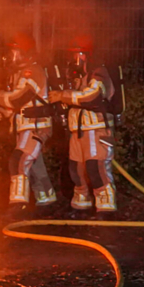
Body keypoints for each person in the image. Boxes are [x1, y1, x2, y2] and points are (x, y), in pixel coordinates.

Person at [48, 36, 118, 217]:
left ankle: (106, 207)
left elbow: (91, 97)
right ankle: (80, 205)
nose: (73, 59)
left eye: (76, 54)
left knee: (95, 168)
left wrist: (62, 95)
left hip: (96, 129)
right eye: (71, 55)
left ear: (86, 55)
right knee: (76, 169)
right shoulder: (78, 77)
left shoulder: (99, 73)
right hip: (77, 131)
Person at [0, 33, 57, 217]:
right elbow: (18, 106)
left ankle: (18, 205)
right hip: (25, 126)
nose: (11, 56)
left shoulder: (33, 72)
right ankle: (47, 202)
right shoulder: (18, 74)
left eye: (15, 52)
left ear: (25, 54)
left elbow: (20, 98)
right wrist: (3, 112)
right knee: (34, 165)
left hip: (35, 126)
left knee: (19, 160)